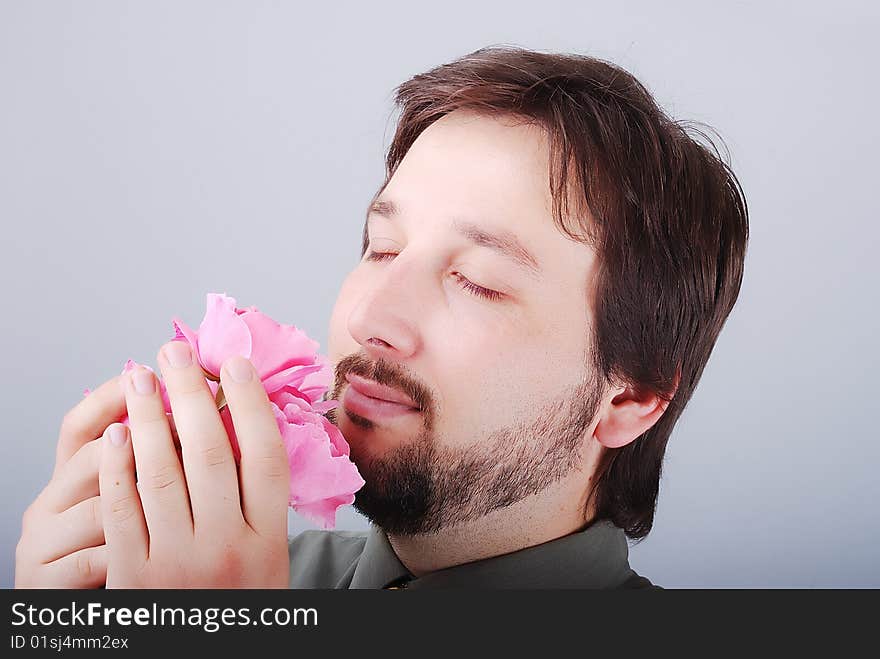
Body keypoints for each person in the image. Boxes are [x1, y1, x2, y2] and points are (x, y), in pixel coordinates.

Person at [14, 46, 748, 589]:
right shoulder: (225, 578)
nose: (371, 316)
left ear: (630, 397)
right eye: (381, 246)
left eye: (477, 281)